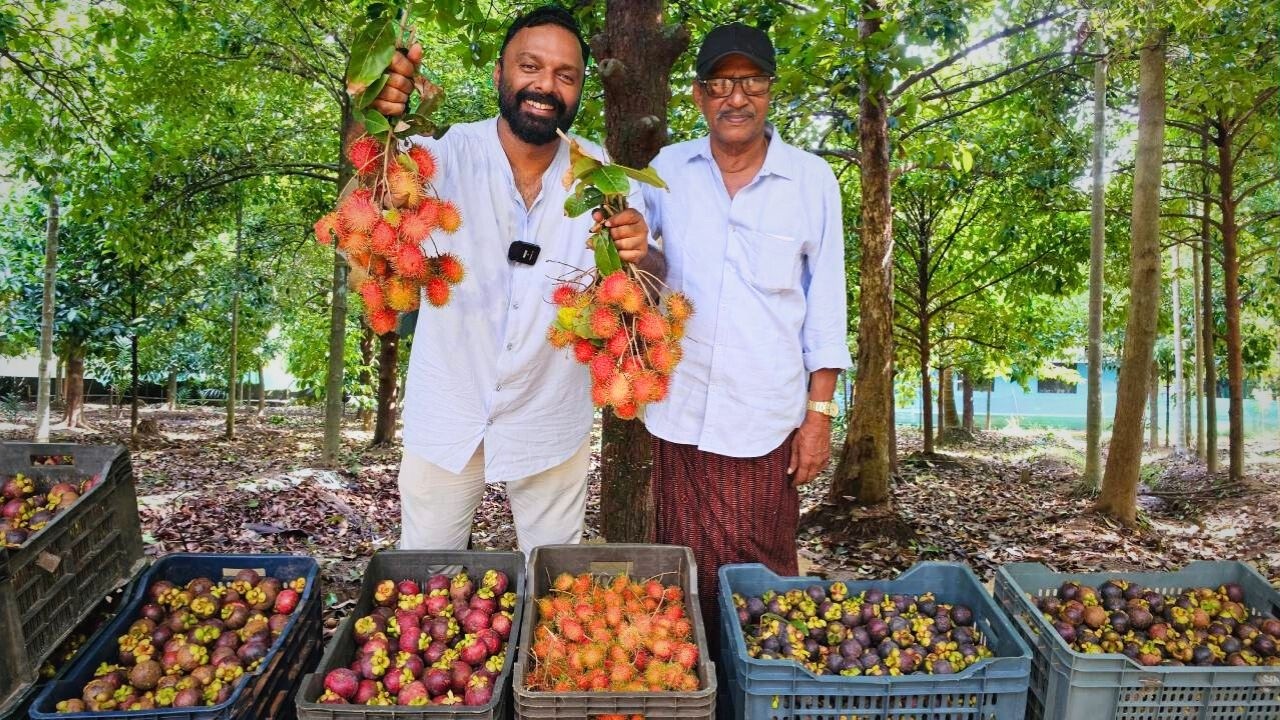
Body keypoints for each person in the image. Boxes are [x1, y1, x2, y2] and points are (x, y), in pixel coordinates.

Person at [369, 6, 654, 559]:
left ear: (578, 91)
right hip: (448, 410)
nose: (545, 86)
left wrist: (640, 249)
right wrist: (376, 115)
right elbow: (374, 201)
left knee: (552, 574)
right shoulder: (444, 154)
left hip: (550, 413)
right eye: (530, 67)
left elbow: (643, 275)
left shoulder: (601, 172)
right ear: (500, 74)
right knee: (425, 571)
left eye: (565, 76)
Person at [641, 23, 852, 640]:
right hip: (678, 415)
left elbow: (826, 308)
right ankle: (693, 688)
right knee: (682, 575)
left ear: (770, 90)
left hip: (766, 422)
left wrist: (819, 415)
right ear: (699, 95)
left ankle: (757, 691)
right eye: (720, 83)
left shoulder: (811, 181)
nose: (736, 97)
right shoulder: (666, 170)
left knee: (760, 584)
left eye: (751, 81)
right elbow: (626, 247)